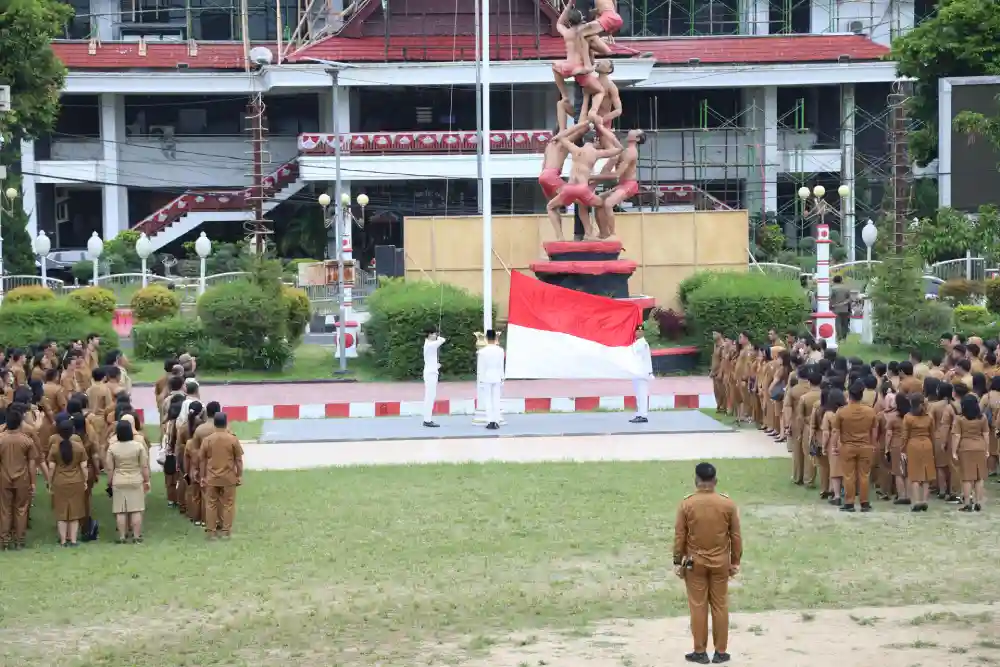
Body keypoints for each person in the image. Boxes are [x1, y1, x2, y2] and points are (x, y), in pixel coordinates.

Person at [673, 462, 742, 665]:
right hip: (720, 563)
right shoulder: (727, 504)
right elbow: (736, 536)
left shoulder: (687, 504)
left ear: (696, 480)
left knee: (698, 606)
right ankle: (721, 651)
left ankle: (700, 651)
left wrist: (677, 560)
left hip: (695, 563)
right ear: (715, 481)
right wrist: (735, 561)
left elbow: (680, 536)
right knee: (720, 606)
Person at [547, 123, 623, 240]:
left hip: (569, 188)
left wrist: (583, 124)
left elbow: (562, 137)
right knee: (602, 204)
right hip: (582, 189)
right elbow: (619, 149)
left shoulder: (575, 149)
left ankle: (560, 236)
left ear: (584, 140)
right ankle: (603, 232)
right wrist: (604, 130)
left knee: (551, 207)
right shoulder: (596, 153)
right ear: (595, 140)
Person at [830, 380, 879, 512]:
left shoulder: (842, 412)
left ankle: (849, 502)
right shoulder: (870, 411)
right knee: (864, 475)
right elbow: (874, 431)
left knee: (848, 476)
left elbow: (836, 431)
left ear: (849, 395)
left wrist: (834, 446)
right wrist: (873, 445)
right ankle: (864, 502)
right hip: (865, 446)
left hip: (848, 447)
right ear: (861, 395)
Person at [538, 123, 588, 236]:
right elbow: (580, 132)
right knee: (582, 200)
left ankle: (560, 236)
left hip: (543, 176)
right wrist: (589, 123)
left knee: (552, 207)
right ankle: (588, 232)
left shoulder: (549, 145)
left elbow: (543, 165)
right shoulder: (562, 142)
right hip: (551, 176)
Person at [200, 412, 244, 540]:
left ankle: (211, 532)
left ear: (214, 424)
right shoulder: (233, 439)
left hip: (212, 478)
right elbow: (238, 460)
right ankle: (226, 532)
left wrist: (202, 476)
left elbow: (202, 460)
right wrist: (239, 475)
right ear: (226, 423)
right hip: (228, 478)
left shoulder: (207, 440)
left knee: (211, 505)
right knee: (228, 505)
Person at [594, 129, 644, 240]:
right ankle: (603, 233)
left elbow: (617, 174)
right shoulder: (624, 150)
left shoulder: (631, 152)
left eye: (636, 131)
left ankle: (613, 234)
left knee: (608, 203)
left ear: (637, 138)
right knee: (598, 201)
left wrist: (593, 177)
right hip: (622, 184)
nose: (632, 130)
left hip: (629, 185)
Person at [106, 419, 150, 543]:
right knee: (136, 509)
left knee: (120, 510)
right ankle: (136, 536)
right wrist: (146, 479)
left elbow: (110, 468)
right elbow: (144, 466)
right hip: (135, 479)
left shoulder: (112, 447)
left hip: (119, 479)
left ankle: (122, 536)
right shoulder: (138, 446)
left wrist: (110, 481)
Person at [46, 420, 88, 546]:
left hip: (59, 482)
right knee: (75, 511)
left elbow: (51, 468)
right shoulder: (79, 447)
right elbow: (84, 467)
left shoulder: (54, 448)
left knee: (61, 512)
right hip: (76, 481)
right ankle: (73, 540)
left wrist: (49, 482)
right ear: (72, 431)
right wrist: (85, 480)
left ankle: (63, 540)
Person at [0, 411, 37, 550]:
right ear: (20, 423)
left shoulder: (1, 439)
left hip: (3, 478)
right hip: (22, 478)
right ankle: (19, 541)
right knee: (21, 509)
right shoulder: (27, 440)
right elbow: (32, 464)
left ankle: (4, 541)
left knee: (5, 509)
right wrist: (33, 482)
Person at [952, 394, 989, 512]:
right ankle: (978, 502)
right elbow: (986, 435)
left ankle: (967, 503)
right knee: (979, 477)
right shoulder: (982, 418)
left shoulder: (960, 419)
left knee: (966, 478)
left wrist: (954, 451)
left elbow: (957, 436)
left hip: (965, 448)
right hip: (980, 447)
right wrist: (987, 449)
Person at [477, 330, 506, 430]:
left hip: (486, 376)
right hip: (497, 376)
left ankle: (490, 421)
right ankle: (496, 421)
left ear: (486, 338)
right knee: (496, 399)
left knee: (488, 399)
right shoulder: (500, 350)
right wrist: (502, 377)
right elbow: (501, 365)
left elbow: (481, 367)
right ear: (495, 338)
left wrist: (480, 379)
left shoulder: (482, 351)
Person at [422, 327, 446, 428]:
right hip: (430, 374)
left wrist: (436, 366)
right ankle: (427, 420)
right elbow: (442, 340)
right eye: (435, 334)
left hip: (431, 372)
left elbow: (430, 359)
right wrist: (439, 338)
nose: (436, 335)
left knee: (431, 396)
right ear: (429, 334)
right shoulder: (430, 345)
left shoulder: (430, 344)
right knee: (429, 396)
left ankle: (427, 418)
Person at [631, 324, 653, 424]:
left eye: (640, 331)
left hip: (642, 373)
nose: (638, 333)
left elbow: (634, 354)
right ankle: (639, 414)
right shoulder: (638, 342)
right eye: (637, 331)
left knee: (642, 395)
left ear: (643, 332)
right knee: (639, 395)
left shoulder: (642, 343)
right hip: (637, 373)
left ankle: (643, 415)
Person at [830, 275, 851, 342]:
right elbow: (849, 299)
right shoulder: (846, 288)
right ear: (841, 280)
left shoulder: (832, 288)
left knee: (838, 323)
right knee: (845, 323)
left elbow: (830, 298)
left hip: (836, 308)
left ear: (834, 280)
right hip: (845, 308)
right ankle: (844, 338)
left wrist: (831, 306)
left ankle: (839, 337)